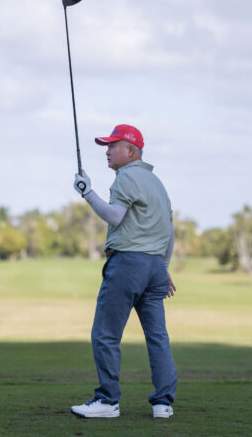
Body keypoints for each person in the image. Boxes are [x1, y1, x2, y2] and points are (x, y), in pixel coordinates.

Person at [70, 124, 177, 419]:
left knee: (105, 334)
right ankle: (163, 404)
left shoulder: (126, 177)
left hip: (128, 264)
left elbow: (115, 216)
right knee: (157, 337)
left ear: (131, 150)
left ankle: (107, 401)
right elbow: (169, 231)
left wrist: (87, 192)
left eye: (112, 146)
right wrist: (163, 267)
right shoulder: (157, 183)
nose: (107, 151)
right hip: (155, 267)